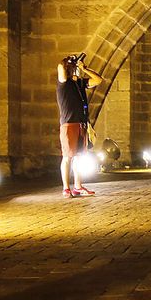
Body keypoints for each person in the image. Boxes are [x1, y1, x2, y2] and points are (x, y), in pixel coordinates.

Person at [56, 53, 103, 198]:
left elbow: (98, 80)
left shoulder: (80, 83)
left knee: (79, 157)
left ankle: (78, 186)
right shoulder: (64, 82)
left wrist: (85, 68)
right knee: (67, 157)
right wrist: (70, 60)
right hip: (69, 124)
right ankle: (66, 188)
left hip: (81, 124)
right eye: (74, 68)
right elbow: (60, 67)